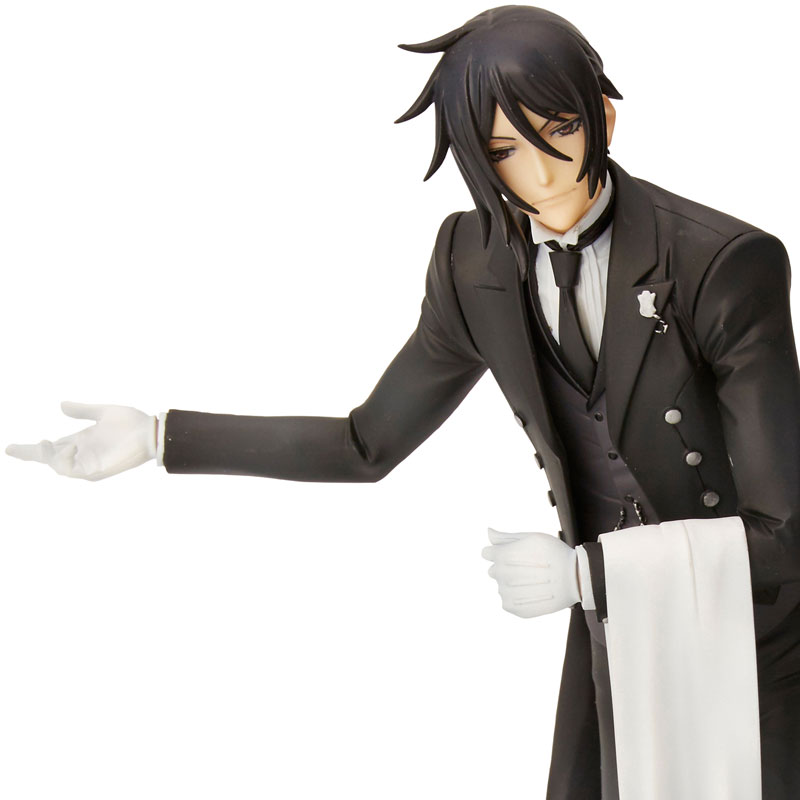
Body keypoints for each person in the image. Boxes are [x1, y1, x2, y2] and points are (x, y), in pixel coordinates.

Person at [7, 6, 800, 798]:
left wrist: (592, 571)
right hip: (611, 627)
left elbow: (786, 532)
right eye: (503, 149)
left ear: (605, 119)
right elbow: (367, 443)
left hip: (744, 631)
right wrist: (160, 437)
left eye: (559, 129)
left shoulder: (719, 264)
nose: (541, 172)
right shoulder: (471, 264)